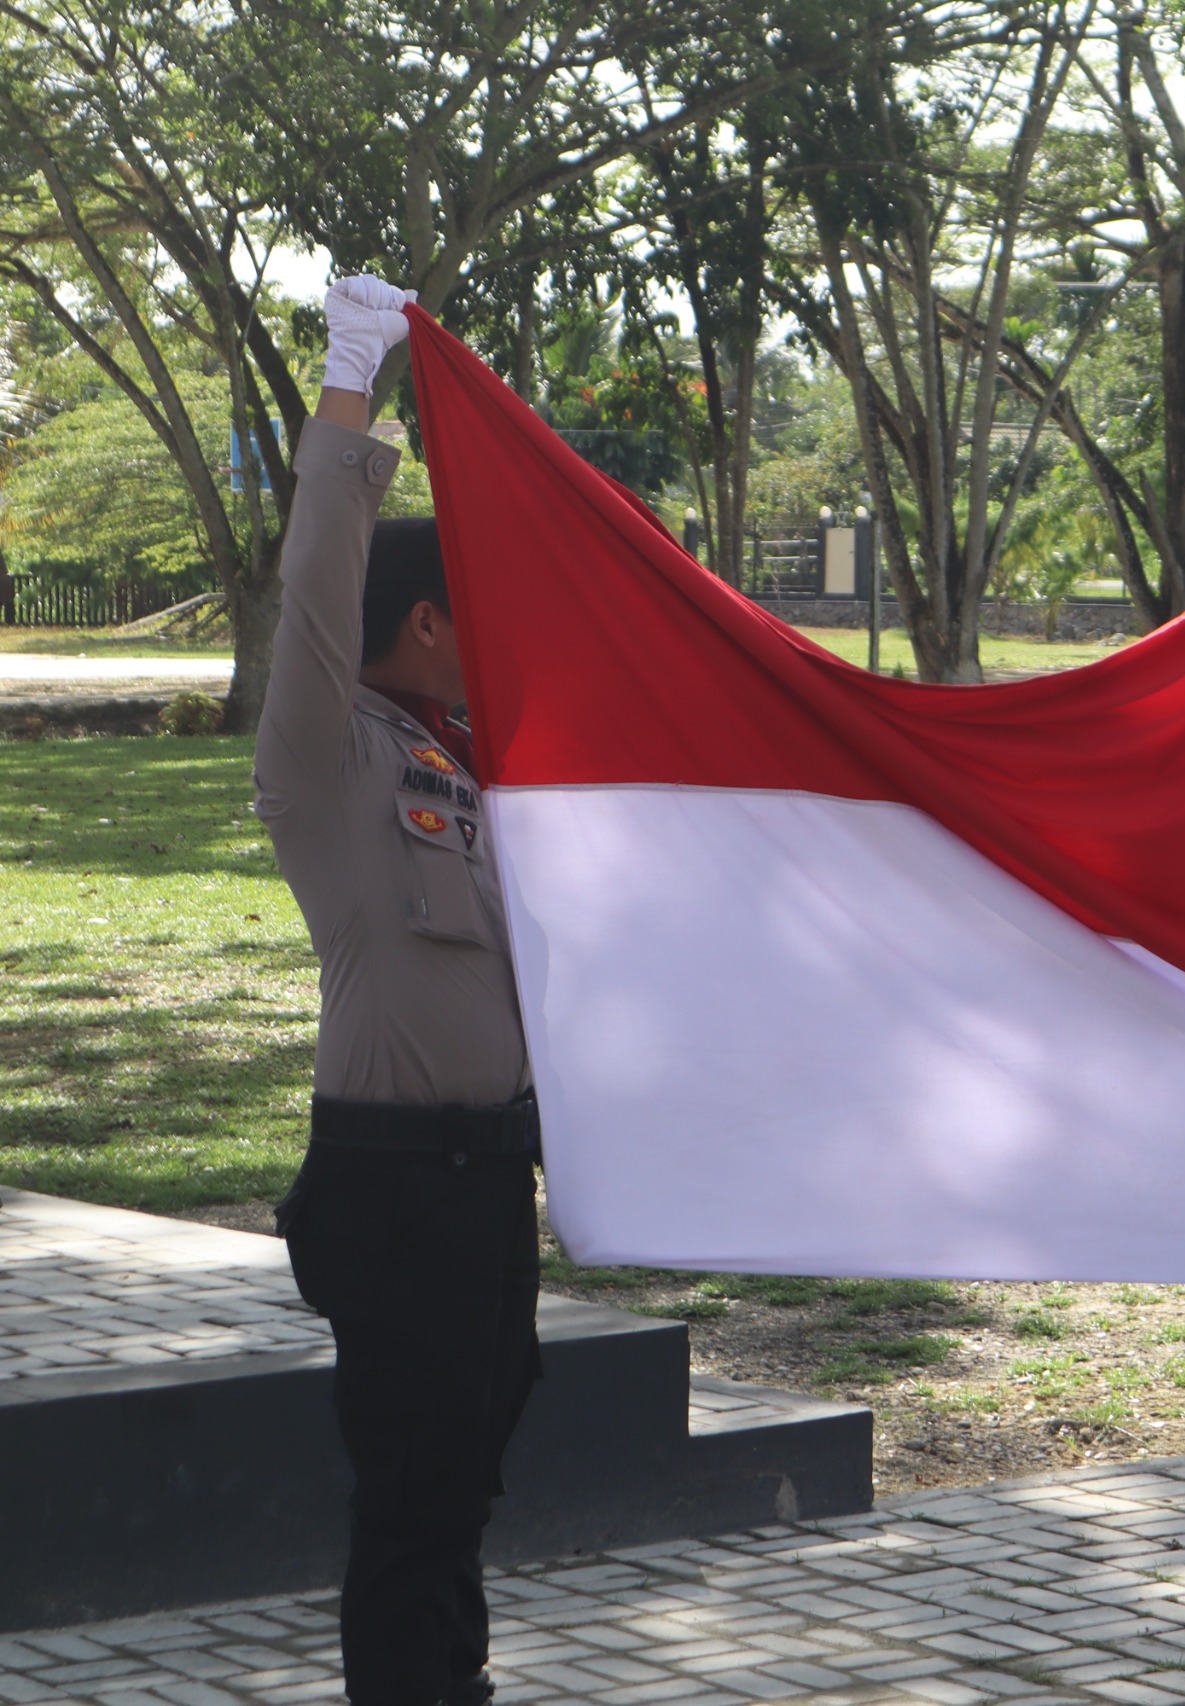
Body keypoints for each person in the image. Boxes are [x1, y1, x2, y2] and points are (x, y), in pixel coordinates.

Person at [257, 277, 541, 1706]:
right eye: (478, 612)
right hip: (396, 1184)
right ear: (426, 621)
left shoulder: (473, 765)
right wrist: (353, 388)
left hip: (490, 1180)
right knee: (415, 1497)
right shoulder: (333, 762)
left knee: (466, 1479)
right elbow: (318, 593)